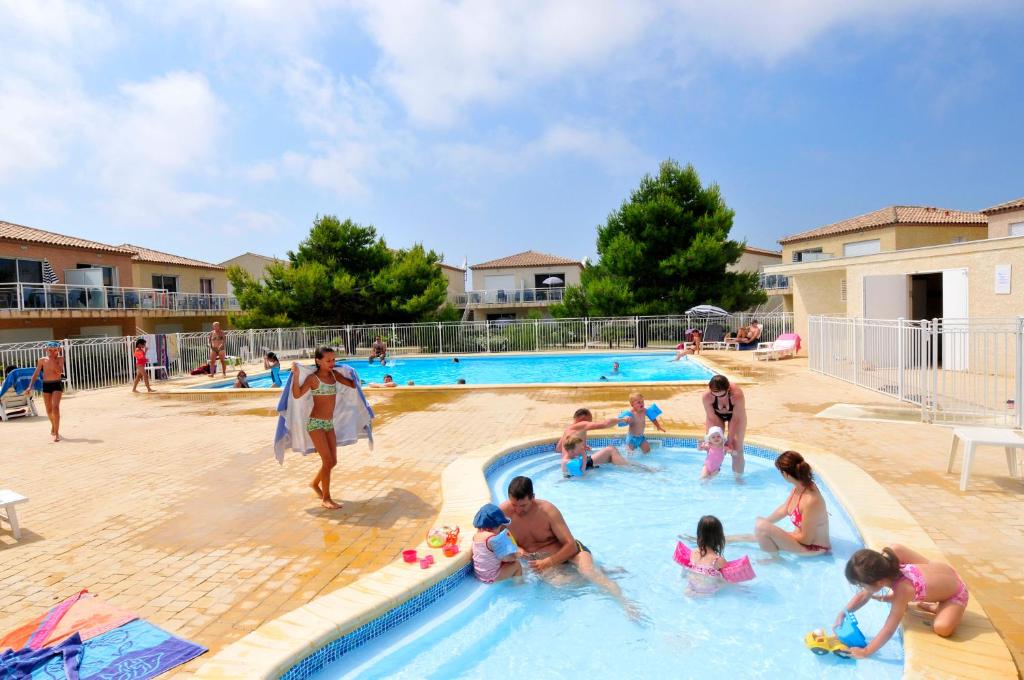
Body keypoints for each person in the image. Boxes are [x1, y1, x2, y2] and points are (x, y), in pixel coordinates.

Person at [500, 476, 642, 620]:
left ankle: (626, 604)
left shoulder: (547, 510)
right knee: (561, 584)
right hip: (540, 558)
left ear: (533, 497)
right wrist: (517, 548)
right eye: (514, 505)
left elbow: (571, 545)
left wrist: (547, 563)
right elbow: (493, 538)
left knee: (590, 572)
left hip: (570, 551)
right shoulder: (502, 513)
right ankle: (602, 571)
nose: (518, 510)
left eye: (523, 505)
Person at [837, 545, 968, 658]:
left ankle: (941, 608)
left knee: (942, 628)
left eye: (862, 585)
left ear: (880, 582)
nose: (862, 589)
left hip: (956, 593)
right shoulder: (890, 556)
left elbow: (889, 629)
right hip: (941, 570)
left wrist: (866, 651)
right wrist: (843, 613)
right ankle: (936, 600)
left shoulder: (903, 590)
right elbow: (864, 595)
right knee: (897, 550)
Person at [291, 347, 357, 509]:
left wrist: (351, 373)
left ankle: (314, 484)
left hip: (328, 424)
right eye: (328, 361)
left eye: (334, 360)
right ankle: (326, 498)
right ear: (318, 361)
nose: (332, 363)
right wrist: (296, 376)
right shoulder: (314, 379)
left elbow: (352, 385)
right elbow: (297, 394)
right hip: (315, 424)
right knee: (327, 460)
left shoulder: (334, 375)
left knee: (333, 461)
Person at [754, 451, 830, 556]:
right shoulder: (800, 486)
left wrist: (776, 533)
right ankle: (731, 539)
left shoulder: (811, 500)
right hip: (800, 541)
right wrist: (767, 521)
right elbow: (785, 509)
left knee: (762, 529)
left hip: (813, 549)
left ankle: (776, 560)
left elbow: (806, 539)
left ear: (786, 474)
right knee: (760, 530)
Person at [701, 375, 746, 474]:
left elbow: (735, 419)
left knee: (737, 449)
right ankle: (711, 473)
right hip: (716, 416)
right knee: (713, 446)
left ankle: (738, 479)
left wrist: (729, 441)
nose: (718, 398)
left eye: (721, 395)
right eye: (714, 395)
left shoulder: (737, 395)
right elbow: (712, 417)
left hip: (736, 417)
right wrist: (719, 442)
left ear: (728, 389)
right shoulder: (706, 396)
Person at [556, 408, 629, 467]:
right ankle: (630, 469)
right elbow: (605, 424)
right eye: (590, 420)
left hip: (569, 466)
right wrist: (622, 419)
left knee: (609, 458)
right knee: (611, 449)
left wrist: (578, 447)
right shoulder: (582, 424)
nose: (590, 423)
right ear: (583, 418)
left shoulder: (568, 430)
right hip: (578, 464)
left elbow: (558, 449)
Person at [471, 503, 522, 583]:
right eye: (500, 527)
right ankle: (519, 585)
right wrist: (514, 556)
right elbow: (506, 559)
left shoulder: (476, 536)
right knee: (516, 565)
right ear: (495, 527)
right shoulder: (493, 539)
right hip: (491, 577)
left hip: (479, 574)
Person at [683, 515, 732, 596]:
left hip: (690, 587)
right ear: (719, 538)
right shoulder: (719, 560)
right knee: (724, 582)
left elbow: (685, 572)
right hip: (707, 591)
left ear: (699, 535)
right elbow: (729, 579)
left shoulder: (693, 553)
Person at [27, 341, 65, 441]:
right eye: (50, 350)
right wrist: (30, 386)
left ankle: (56, 433)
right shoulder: (42, 360)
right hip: (46, 385)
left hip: (57, 384)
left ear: (58, 350)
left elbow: (59, 372)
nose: (53, 352)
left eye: (55, 350)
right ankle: (53, 425)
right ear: (47, 350)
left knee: (55, 408)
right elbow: (35, 374)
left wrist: (53, 360)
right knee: (49, 410)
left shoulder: (60, 359)